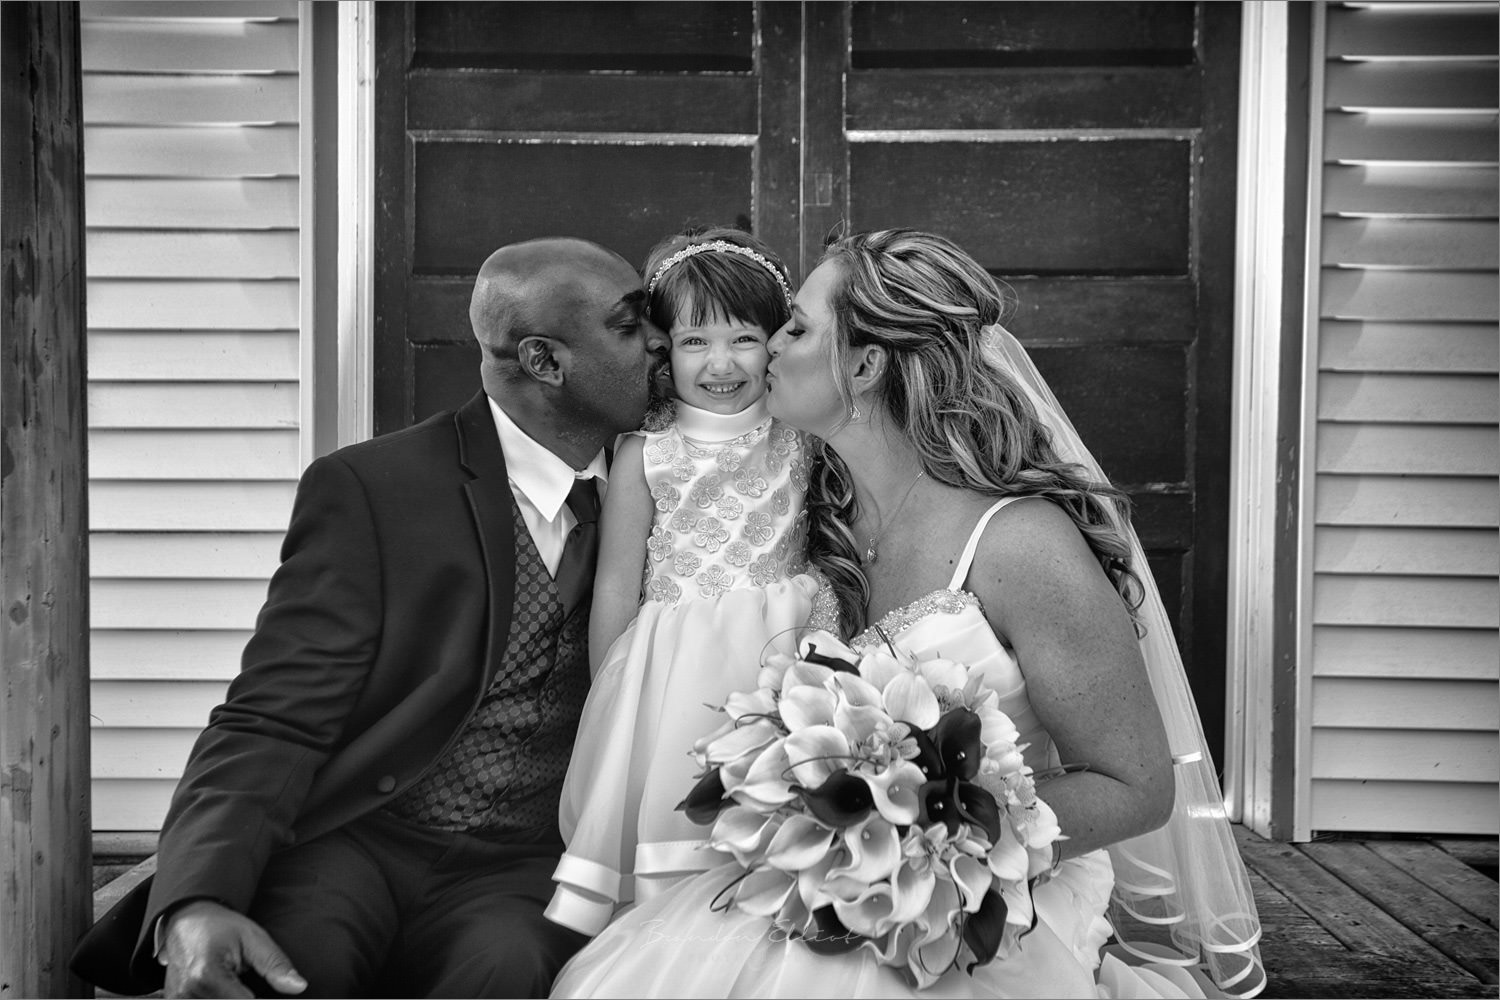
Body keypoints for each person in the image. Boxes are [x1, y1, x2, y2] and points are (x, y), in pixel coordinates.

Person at [550, 230, 1265, 998]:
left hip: (968, 901)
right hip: (816, 876)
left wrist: (909, 836)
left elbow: (1137, 787)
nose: (766, 348)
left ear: (862, 366)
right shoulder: (817, 518)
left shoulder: (1021, 544)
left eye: (794, 328)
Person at [70, 237, 669, 999]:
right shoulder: (375, 489)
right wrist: (197, 899)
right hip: (357, 842)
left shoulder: (674, 496)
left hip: (524, 866)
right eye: (629, 326)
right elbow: (273, 717)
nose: (660, 341)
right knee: (290, 967)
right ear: (545, 361)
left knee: (509, 971)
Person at [545, 228, 834, 938]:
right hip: (672, 669)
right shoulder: (648, 452)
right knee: (675, 813)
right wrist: (613, 692)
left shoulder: (801, 435)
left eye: (744, 339)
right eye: (695, 341)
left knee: (783, 816)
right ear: (663, 350)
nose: (720, 363)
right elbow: (617, 584)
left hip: (784, 651)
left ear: (777, 341)